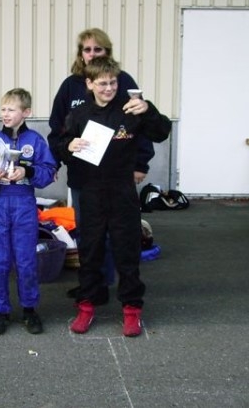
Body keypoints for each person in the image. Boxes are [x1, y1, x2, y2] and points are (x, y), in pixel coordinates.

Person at [55, 57, 171, 337]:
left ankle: (131, 310)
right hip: (90, 193)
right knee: (90, 252)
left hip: (123, 193)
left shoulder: (131, 110)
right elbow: (59, 145)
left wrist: (148, 110)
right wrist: (68, 145)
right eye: (102, 83)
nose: (108, 88)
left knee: (127, 252)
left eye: (113, 83)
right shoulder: (79, 114)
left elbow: (161, 132)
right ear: (89, 84)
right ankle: (86, 307)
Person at [48, 27, 155, 301]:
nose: (92, 54)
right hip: (84, 176)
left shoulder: (122, 80)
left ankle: (113, 282)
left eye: (98, 49)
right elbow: (57, 129)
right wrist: (58, 158)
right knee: (89, 234)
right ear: (80, 54)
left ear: (107, 52)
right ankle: (93, 285)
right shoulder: (70, 85)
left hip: (119, 175)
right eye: (87, 49)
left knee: (118, 235)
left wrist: (141, 164)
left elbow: (141, 126)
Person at [0, 88, 57, 335]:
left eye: (11, 109)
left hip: (24, 203)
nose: (6, 114)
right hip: (0, 202)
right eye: (3, 109)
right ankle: (0, 311)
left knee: (26, 260)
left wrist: (27, 171)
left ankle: (29, 309)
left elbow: (49, 170)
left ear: (26, 112)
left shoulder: (36, 141)